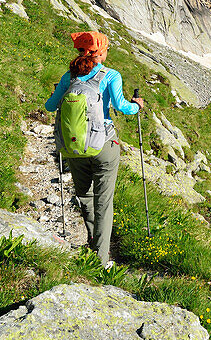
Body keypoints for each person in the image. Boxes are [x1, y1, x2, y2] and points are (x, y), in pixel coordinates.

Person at [44, 31, 144, 266]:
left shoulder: (69, 77)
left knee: (85, 196)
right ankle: (101, 258)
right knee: (104, 202)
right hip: (104, 146)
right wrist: (137, 106)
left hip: (74, 147)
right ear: (101, 52)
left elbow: (49, 106)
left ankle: (91, 238)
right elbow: (121, 106)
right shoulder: (111, 75)